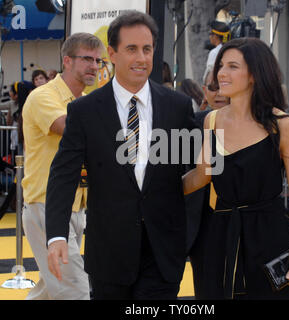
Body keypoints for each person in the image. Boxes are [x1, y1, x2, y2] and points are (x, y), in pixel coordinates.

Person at [45, 10, 195, 300]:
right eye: (131, 49)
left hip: (164, 254)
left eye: (147, 49)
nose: (141, 58)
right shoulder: (85, 111)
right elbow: (63, 176)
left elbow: (191, 172)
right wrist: (56, 235)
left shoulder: (178, 106)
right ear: (112, 54)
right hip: (109, 254)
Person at [182, 38, 289, 299]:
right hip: (220, 236)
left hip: (270, 238)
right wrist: (154, 187)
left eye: (232, 66)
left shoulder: (281, 124)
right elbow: (203, 175)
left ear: (254, 74)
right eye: (221, 66)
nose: (221, 73)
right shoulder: (211, 120)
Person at [22, 32, 105, 300]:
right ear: (67, 61)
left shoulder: (84, 103)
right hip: (46, 204)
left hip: (75, 205)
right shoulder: (42, 96)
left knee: (50, 291)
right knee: (75, 291)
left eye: (98, 61)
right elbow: (68, 128)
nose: (94, 66)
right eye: (87, 59)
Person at [186, 68, 229, 299]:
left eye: (223, 85)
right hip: (203, 221)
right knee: (206, 290)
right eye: (213, 87)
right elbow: (181, 173)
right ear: (205, 91)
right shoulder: (193, 124)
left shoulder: (254, 125)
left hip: (242, 221)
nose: (219, 92)